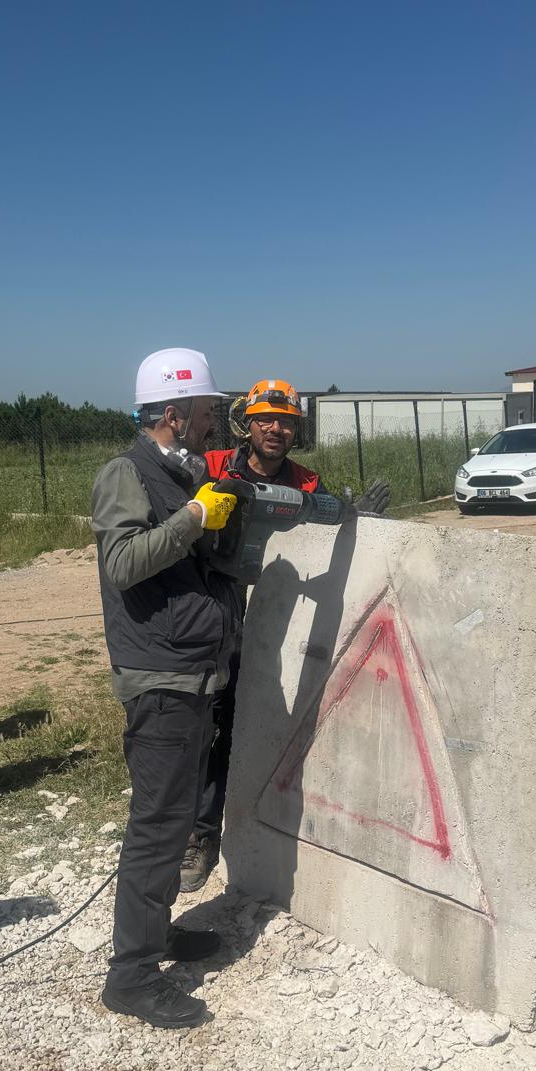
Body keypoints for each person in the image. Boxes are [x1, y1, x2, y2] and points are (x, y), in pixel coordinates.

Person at [179, 378, 389, 892]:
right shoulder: (210, 468)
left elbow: (323, 543)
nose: (276, 429)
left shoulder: (307, 485)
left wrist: (358, 521)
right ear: (246, 424)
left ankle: (255, 820)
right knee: (203, 723)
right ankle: (199, 835)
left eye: (287, 421)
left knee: (250, 722)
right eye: (266, 419)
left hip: (273, 624)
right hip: (211, 611)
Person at [90, 347, 242, 1030]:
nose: (218, 419)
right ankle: (131, 977)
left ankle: (154, 933)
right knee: (157, 827)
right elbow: (123, 563)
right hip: (160, 679)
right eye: (210, 409)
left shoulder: (181, 473)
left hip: (191, 671)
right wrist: (193, 521)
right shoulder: (127, 472)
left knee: (176, 818)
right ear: (177, 413)